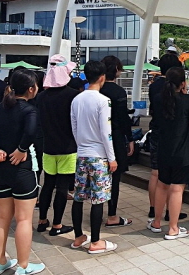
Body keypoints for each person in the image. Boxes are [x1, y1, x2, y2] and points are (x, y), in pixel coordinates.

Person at [0, 69, 45, 275]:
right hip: (22, 170)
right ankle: (23, 265)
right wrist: (22, 149)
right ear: (31, 88)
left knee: (3, 217)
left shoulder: (1, 108)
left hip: (1, 168)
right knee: (24, 219)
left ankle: (0, 261)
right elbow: (31, 131)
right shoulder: (29, 110)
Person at [70, 60, 118, 254]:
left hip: (82, 154)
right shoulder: (103, 101)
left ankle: (78, 236)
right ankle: (96, 241)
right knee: (98, 199)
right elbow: (106, 132)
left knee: (79, 197)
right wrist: (112, 157)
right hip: (99, 156)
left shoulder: (76, 99)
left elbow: (74, 128)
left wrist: (81, 145)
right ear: (102, 77)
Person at [148, 67, 189, 240]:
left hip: (163, 149)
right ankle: (173, 228)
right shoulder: (187, 100)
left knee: (162, 185)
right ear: (183, 83)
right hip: (183, 151)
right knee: (177, 189)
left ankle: (156, 222)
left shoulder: (158, 99)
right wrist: (185, 93)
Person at [36, 54, 78, 236]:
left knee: (48, 184)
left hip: (48, 147)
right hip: (68, 148)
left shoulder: (41, 97)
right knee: (62, 187)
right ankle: (57, 225)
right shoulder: (73, 96)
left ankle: (42, 220)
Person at [147, 53, 186, 221]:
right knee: (171, 176)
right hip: (173, 136)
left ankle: (153, 209)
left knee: (155, 173)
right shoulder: (175, 87)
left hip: (156, 131)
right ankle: (171, 211)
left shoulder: (154, 86)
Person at [100, 55, 134, 227]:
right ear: (116, 70)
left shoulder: (95, 91)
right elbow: (123, 119)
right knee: (115, 177)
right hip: (116, 137)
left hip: (96, 139)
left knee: (99, 177)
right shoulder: (119, 92)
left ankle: (97, 210)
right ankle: (112, 214)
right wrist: (130, 139)